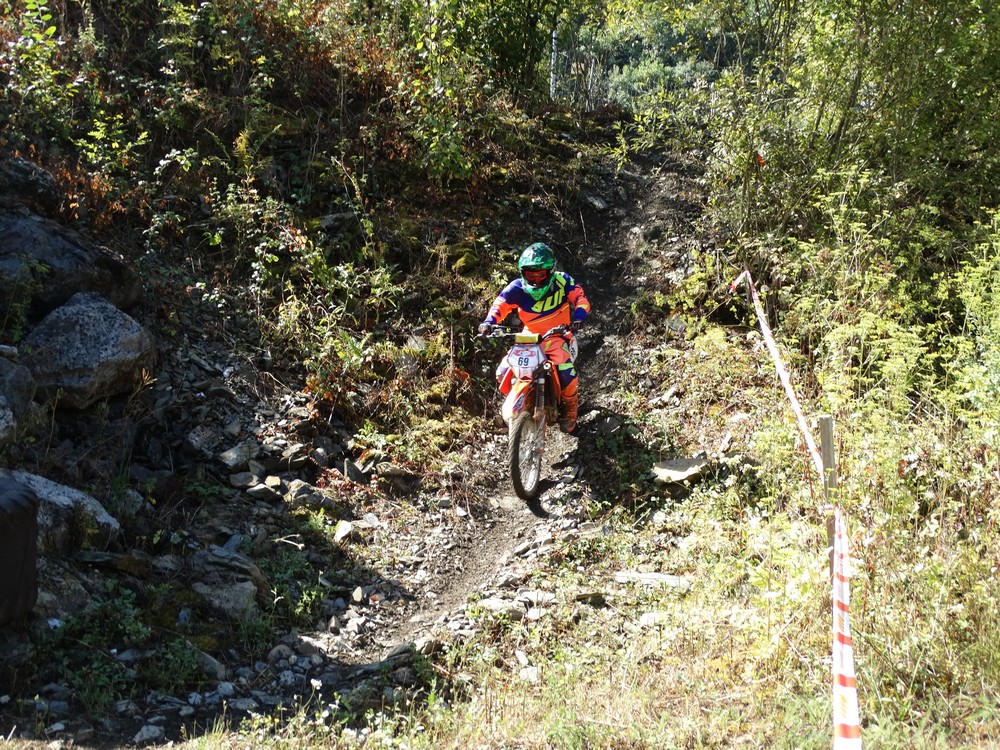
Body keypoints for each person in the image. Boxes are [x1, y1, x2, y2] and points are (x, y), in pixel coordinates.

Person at [478, 242, 591, 433]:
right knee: (502, 371)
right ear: (523, 273)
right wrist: (489, 322)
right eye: (531, 274)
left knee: (566, 372)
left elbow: (581, 299)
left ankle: (570, 410)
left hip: (558, 336)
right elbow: (500, 305)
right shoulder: (516, 287)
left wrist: (578, 317)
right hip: (528, 338)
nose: (536, 279)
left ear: (550, 271)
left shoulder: (562, 281)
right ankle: (523, 404)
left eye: (541, 274)